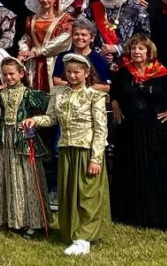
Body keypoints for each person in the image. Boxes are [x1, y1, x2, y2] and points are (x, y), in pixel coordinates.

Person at [22, 53, 111, 256]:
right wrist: (35, 121)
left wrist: (96, 158)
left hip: (87, 150)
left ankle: (84, 237)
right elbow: (52, 118)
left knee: (88, 194)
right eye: (68, 72)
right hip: (66, 149)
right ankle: (73, 231)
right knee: (69, 193)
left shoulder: (95, 96)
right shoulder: (58, 92)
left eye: (76, 72)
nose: (72, 76)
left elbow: (100, 129)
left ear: (86, 73)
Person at [109, 35, 167, 228]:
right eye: (133, 49)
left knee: (155, 172)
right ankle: (131, 216)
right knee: (132, 171)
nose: (137, 52)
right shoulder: (124, 73)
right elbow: (114, 92)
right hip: (130, 131)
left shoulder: (163, 74)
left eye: (141, 49)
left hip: (156, 132)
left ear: (149, 52)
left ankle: (158, 218)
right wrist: (115, 103)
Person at [0, 57, 50, 234]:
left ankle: (34, 221)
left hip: (23, 137)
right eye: (5, 75)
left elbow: (49, 106)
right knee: (10, 175)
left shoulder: (29, 94)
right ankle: (14, 218)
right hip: (6, 138)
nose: (8, 78)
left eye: (12, 74)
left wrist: (36, 120)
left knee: (27, 177)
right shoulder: (0, 94)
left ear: (21, 74)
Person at [17, 0, 73, 92]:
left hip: (53, 61)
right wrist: (24, 51)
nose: (45, 0)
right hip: (33, 62)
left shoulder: (64, 19)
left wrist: (38, 52)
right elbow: (27, 38)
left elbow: (63, 40)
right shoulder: (31, 19)